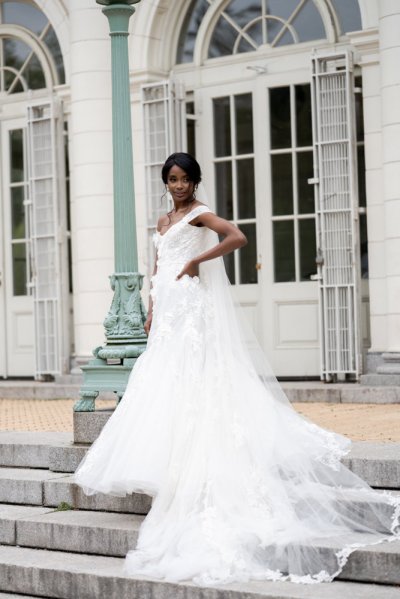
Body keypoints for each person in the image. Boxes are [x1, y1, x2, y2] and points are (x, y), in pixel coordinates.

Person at [74, 152, 400, 586]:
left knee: (194, 375)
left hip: (190, 305)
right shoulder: (163, 220)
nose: (179, 186)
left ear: (195, 181)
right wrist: (151, 309)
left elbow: (237, 238)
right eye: (172, 179)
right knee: (163, 379)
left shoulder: (199, 215)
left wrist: (195, 263)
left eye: (185, 179)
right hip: (169, 309)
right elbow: (157, 268)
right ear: (164, 182)